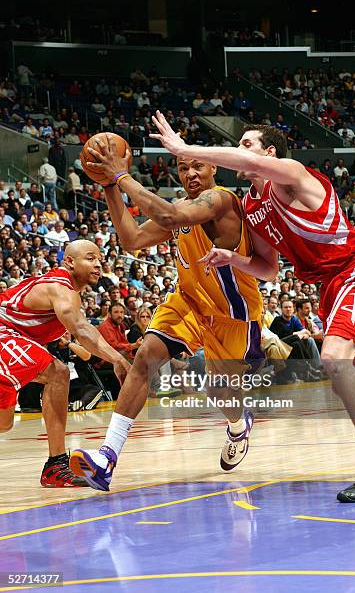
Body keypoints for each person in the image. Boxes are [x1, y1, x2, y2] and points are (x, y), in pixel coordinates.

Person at [149, 110, 355, 504]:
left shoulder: (294, 176)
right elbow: (267, 269)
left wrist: (183, 148)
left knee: (334, 361)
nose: (239, 151)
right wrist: (232, 259)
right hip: (329, 286)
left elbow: (249, 162)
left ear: (269, 152)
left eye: (245, 143)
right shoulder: (251, 207)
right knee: (340, 371)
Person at [70, 136, 264, 491]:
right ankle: (107, 457)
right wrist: (110, 185)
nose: (190, 173)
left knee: (219, 392)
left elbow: (169, 215)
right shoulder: (180, 208)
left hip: (232, 315)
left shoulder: (222, 200)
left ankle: (239, 425)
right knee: (145, 356)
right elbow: (131, 240)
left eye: (197, 166)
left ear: (213, 167)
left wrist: (121, 176)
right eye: (183, 167)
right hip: (188, 302)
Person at [0, 240, 129, 487]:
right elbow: (81, 329)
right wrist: (118, 358)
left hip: (12, 340)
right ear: (69, 261)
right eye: (90, 258)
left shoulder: (67, 292)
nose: (98, 264)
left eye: (99, 259)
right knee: (58, 372)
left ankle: (55, 466)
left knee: (4, 424)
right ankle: (56, 465)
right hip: (4, 333)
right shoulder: (60, 288)